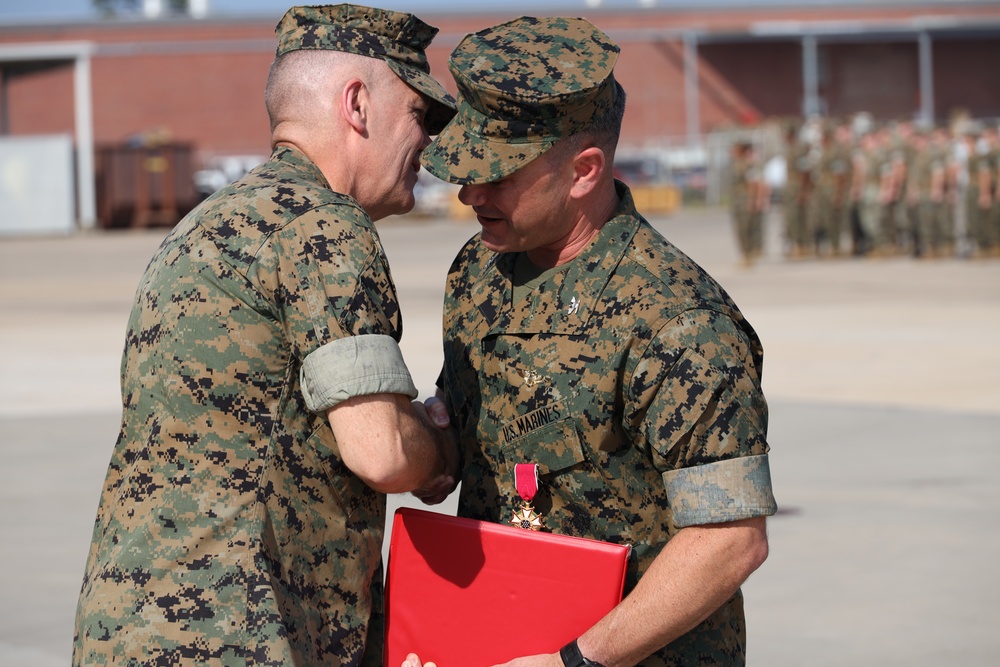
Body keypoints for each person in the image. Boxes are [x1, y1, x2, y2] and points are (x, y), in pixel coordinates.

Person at [73, 4, 458, 666]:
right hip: (245, 634)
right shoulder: (326, 227)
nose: (427, 142)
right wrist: (439, 448)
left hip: (129, 631)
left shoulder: (200, 227)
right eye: (419, 115)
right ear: (358, 105)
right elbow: (383, 452)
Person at [410, 15, 776, 667]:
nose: (469, 191)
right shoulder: (479, 270)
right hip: (495, 638)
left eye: (498, 173)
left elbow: (729, 539)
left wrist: (573, 661)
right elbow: (469, 434)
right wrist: (429, 440)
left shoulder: (676, 319)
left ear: (584, 170)